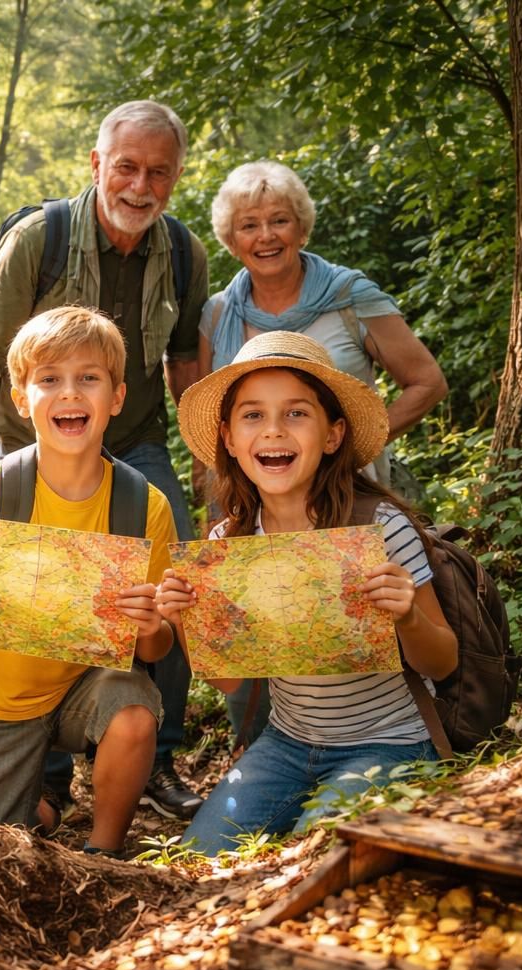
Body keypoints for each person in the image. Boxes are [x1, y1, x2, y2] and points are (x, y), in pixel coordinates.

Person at [0, 100, 209, 819]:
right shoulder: (40, 238)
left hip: (136, 437)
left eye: (158, 172)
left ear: (176, 177)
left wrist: (209, 469)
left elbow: (186, 361)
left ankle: (153, 756)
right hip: (32, 441)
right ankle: (46, 770)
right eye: (126, 166)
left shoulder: (185, 252)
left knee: (174, 579)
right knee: (43, 584)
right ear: (97, 165)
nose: (140, 185)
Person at [156, 331, 457, 855]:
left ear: (333, 434)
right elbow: (230, 681)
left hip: (392, 741)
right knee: (195, 859)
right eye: (253, 415)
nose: (273, 430)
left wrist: (408, 617)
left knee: (313, 853)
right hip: (287, 744)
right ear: (229, 439)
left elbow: (444, 662)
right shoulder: (229, 544)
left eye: (296, 413)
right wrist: (184, 616)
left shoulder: (380, 528)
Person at [0, 306, 178, 855]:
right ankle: (45, 804)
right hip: (6, 700)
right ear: (22, 400)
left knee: (135, 708)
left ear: (116, 398)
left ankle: (104, 848)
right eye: (49, 380)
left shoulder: (145, 503)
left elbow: (159, 644)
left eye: (88, 378)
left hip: (90, 685)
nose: (70, 394)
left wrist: (150, 625)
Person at [199, 160, 448, 745]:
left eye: (279, 220)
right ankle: (270, 752)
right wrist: (223, 510)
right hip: (255, 502)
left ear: (302, 227)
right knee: (260, 629)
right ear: (230, 239)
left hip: (347, 501)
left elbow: (427, 381)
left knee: (358, 634)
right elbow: (214, 413)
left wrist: (358, 441)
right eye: (250, 225)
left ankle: (380, 748)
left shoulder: (350, 296)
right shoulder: (217, 313)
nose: (266, 236)